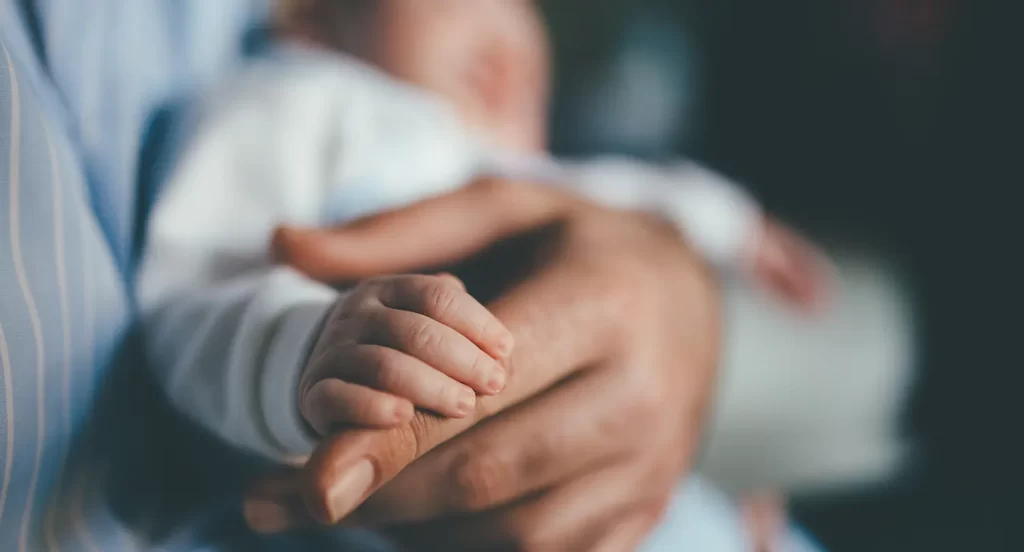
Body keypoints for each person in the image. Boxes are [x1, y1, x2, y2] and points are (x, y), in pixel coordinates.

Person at [0, 1, 773, 550]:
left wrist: (731, 223)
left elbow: (620, 192)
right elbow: (198, 284)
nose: (509, 42)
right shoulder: (299, 99)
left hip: (616, 495)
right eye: (462, 9)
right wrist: (303, 350)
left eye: (534, 76)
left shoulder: (502, 168)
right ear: (311, 20)